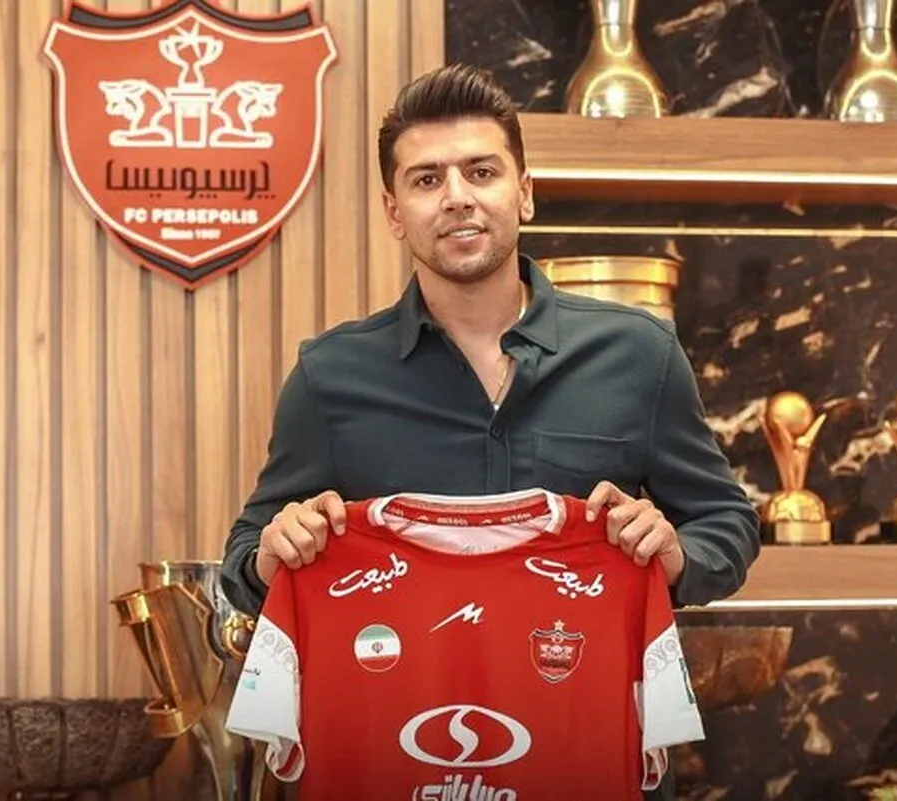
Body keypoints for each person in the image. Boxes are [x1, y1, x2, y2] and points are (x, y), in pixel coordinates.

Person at [220, 62, 760, 798]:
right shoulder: (330, 375)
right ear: (394, 211)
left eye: (481, 171)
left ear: (524, 191)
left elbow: (729, 521)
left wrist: (675, 556)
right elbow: (244, 556)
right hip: (395, 765)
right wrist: (270, 552)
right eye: (427, 179)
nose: (457, 197)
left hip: (585, 755)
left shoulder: (639, 354)